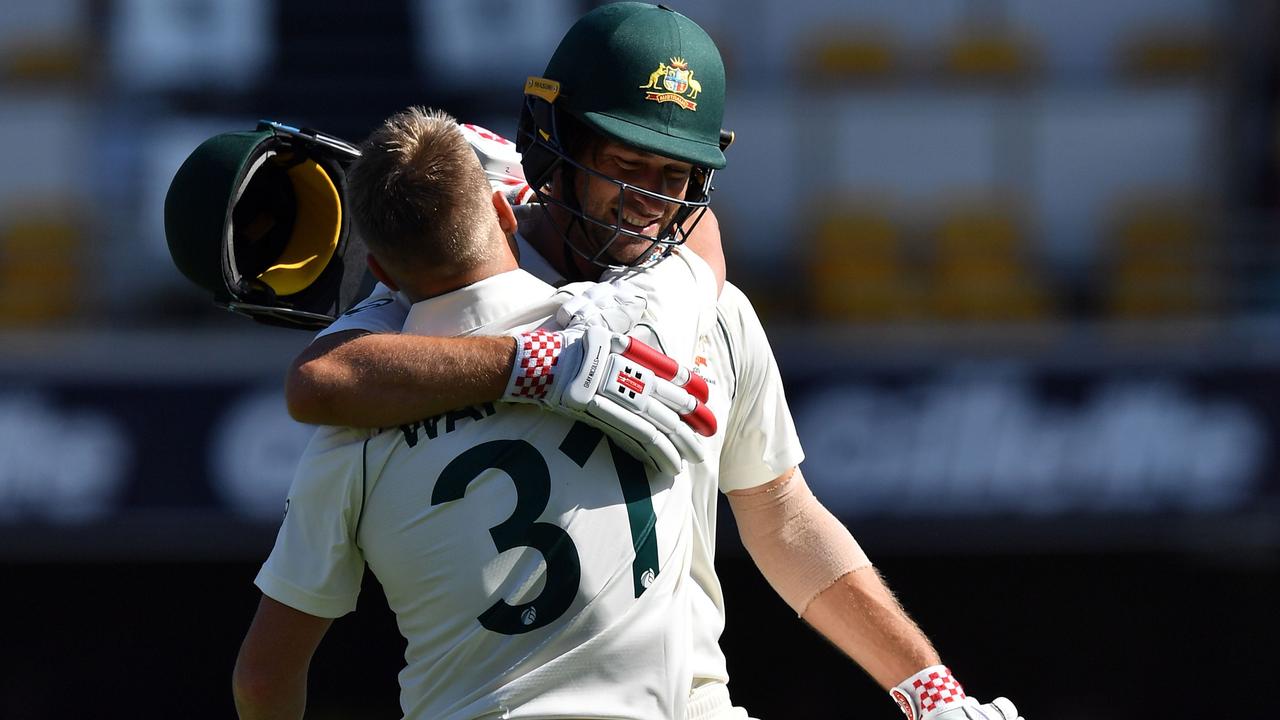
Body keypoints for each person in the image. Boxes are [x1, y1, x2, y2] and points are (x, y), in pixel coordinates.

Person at [259, 4, 1024, 719]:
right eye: (626, 162)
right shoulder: (448, 285)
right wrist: (535, 363)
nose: (651, 200)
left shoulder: (712, 307)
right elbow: (323, 377)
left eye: (675, 176)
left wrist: (931, 693)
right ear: (557, 143)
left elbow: (783, 516)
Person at [233, 106, 721, 719]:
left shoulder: (350, 439)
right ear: (503, 214)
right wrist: (539, 176)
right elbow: (695, 235)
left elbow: (261, 680)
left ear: (379, 269)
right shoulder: (624, 322)